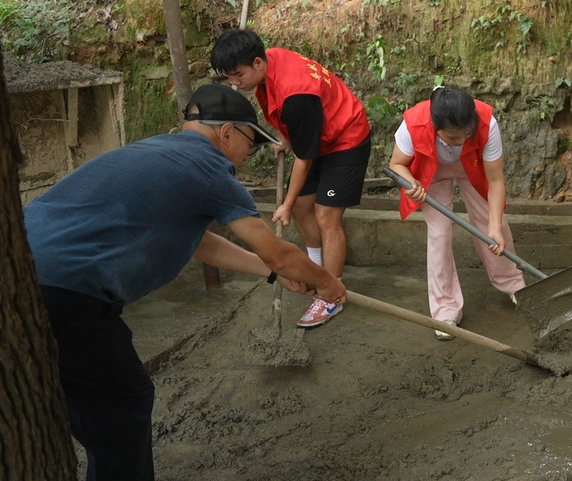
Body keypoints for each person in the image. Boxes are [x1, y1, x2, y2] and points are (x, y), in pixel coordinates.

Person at [25, 83, 348, 481]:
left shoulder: (154, 152)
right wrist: (327, 283)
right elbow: (278, 251)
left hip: (19, 275)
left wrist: (271, 273)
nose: (250, 155)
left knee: (61, 402)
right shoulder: (209, 169)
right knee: (124, 404)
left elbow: (201, 243)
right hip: (67, 291)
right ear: (227, 133)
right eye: (252, 142)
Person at [211, 29, 371, 329]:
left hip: (346, 137)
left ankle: (331, 293)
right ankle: (314, 270)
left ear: (258, 63)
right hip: (318, 135)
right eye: (229, 76)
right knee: (302, 207)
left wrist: (284, 202)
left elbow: (305, 155)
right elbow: (296, 123)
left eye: (237, 74)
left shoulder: (297, 93)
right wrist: (288, 137)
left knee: (326, 215)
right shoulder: (272, 60)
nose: (235, 82)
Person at [388, 86, 526, 340]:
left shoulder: (486, 123)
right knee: (439, 234)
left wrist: (494, 226)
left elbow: (495, 180)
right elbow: (396, 165)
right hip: (433, 172)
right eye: (452, 138)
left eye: (466, 134)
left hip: (472, 167)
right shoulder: (414, 124)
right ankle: (445, 310)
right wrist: (411, 184)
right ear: (435, 126)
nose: (461, 141)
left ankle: (513, 285)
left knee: (492, 225)